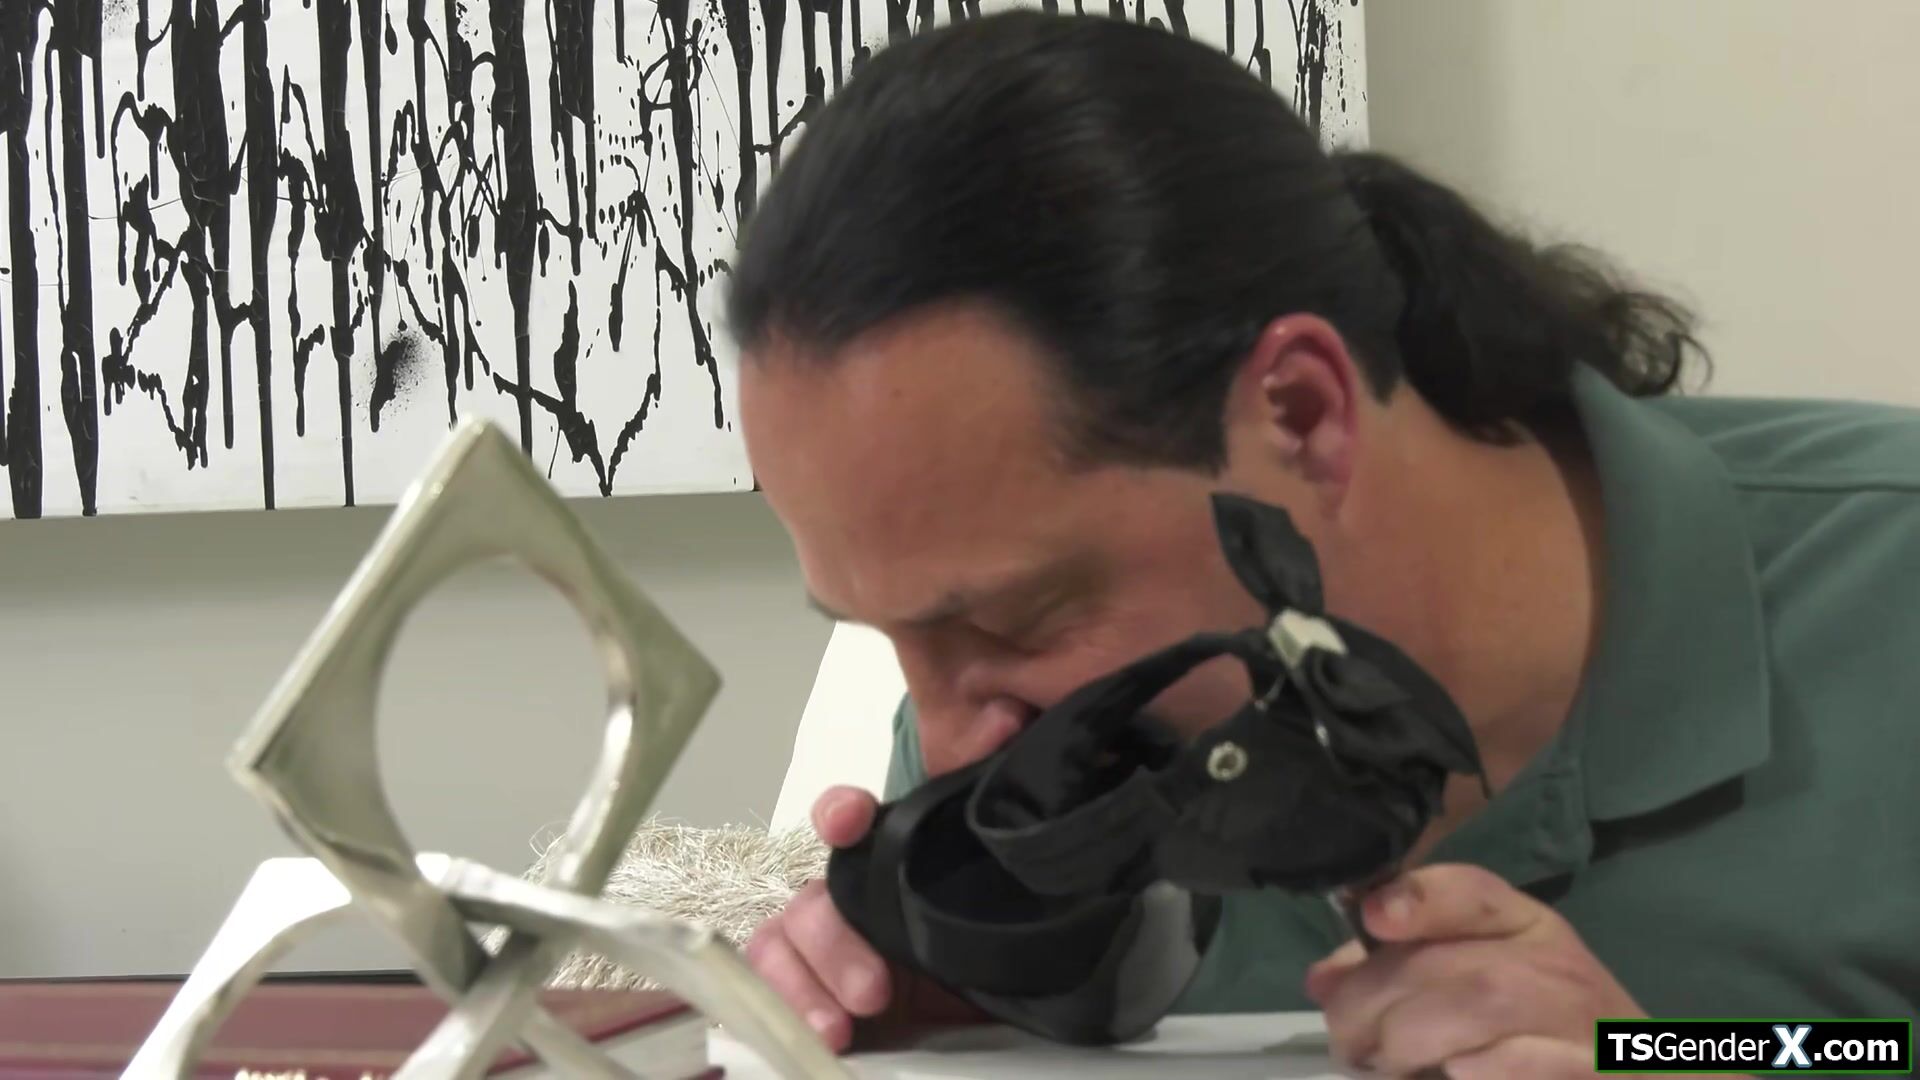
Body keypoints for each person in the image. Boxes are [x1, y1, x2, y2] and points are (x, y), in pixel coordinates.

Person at [726, 11, 1920, 1078]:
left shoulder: (1891, 588)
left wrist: (1658, 1056)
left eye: (1016, 619)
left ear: (1302, 412)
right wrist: (961, 1031)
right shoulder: (1018, 751)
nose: (943, 746)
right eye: (896, 639)